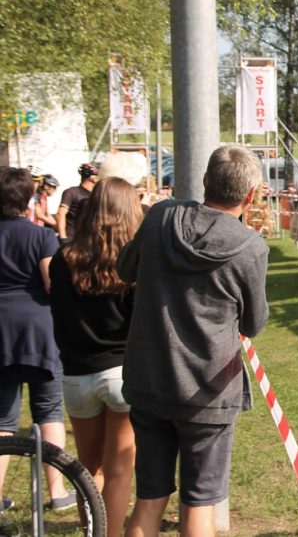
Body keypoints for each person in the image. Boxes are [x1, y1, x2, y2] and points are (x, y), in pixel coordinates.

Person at [117, 145, 270, 537]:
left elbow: (125, 268)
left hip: (150, 381)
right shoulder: (250, 247)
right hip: (207, 392)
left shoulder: (161, 216)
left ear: (205, 180)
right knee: (199, 502)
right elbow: (253, 323)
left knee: (149, 499)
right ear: (251, 195)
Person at [49, 177, 143, 537]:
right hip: (121, 373)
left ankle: (93, 531)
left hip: (76, 373)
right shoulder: (133, 262)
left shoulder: (64, 258)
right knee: (120, 470)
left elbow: (57, 311)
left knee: (88, 471)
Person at [0, 167, 75, 513]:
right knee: (48, 412)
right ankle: (57, 491)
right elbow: (50, 282)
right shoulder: (41, 236)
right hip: (38, 331)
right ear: (28, 198)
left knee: (2, 420)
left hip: (1, 331)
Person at [57, 162, 98, 243]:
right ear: (93, 178)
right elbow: (60, 214)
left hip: (87, 240)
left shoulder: (96, 195)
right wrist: (63, 238)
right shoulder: (71, 192)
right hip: (71, 238)